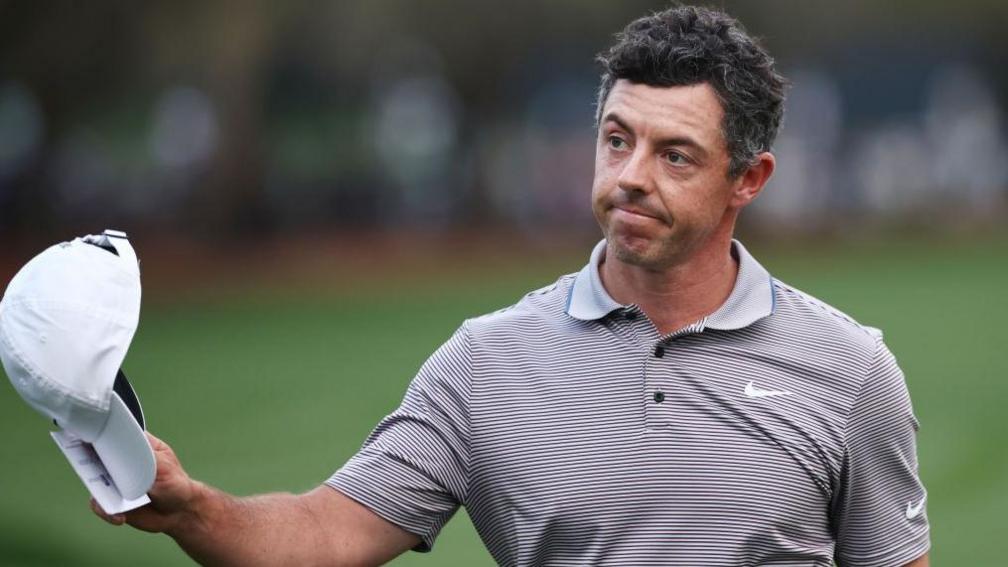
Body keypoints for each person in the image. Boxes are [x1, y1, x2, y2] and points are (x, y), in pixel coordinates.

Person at [92, 5, 930, 566]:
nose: (630, 175)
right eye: (616, 139)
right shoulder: (484, 363)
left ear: (749, 179)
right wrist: (195, 509)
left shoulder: (850, 371)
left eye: (674, 154)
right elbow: (324, 530)